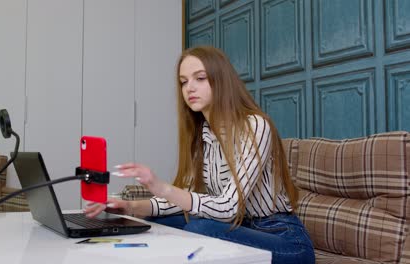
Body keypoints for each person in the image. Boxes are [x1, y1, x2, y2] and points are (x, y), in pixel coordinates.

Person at [84, 46, 315, 264]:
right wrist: (128, 207)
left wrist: (162, 187)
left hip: (283, 239)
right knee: (157, 221)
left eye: (200, 78)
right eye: (183, 82)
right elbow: (183, 202)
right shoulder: (202, 135)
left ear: (221, 80)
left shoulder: (255, 126)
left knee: (200, 228)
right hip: (237, 228)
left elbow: (228, 208)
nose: (189, 88)